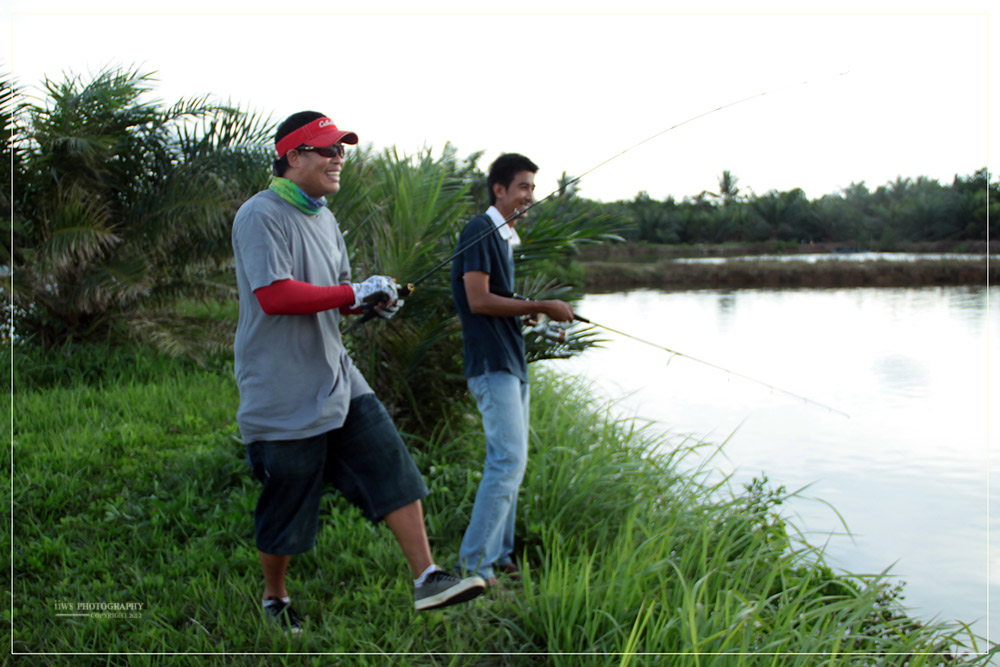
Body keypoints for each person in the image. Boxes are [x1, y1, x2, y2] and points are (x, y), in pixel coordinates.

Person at [232, 111, 485, 633]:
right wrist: (353, 293)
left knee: (392, 465)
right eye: (326, 149)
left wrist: (371, 302)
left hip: (337, 376)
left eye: (342, 149)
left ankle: (428, 578)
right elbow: (276, 296)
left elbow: (340, 293)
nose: (338, 158)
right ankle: (274, 598)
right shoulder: (261, 215)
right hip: (281, 386)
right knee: (288, 500)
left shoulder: (324, 217)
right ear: (293, 156)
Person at [450, 153, 575, 586]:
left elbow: (494, 302)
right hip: (492, 364)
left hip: (509, 361)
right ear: (499, 189)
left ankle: (500, 556)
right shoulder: (480, 229)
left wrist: (520, 313)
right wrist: (541, 304)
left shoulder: (502, 237)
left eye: (533, 189)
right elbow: (478, 300)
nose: (529, 196)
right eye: (523, 187)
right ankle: (474, 567)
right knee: (507, 461)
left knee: (512, 463)